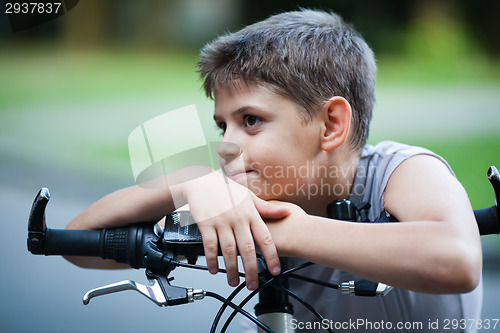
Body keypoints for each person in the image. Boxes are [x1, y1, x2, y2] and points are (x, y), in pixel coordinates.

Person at [65, 9, 482, 332]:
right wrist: (190, 180)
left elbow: (457, 260)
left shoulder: (399, 171)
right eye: (221, 124)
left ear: (331, 125)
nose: (225, 144)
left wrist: (282, 232)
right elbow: (78, 243)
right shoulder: (233, 200)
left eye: (250, 120)